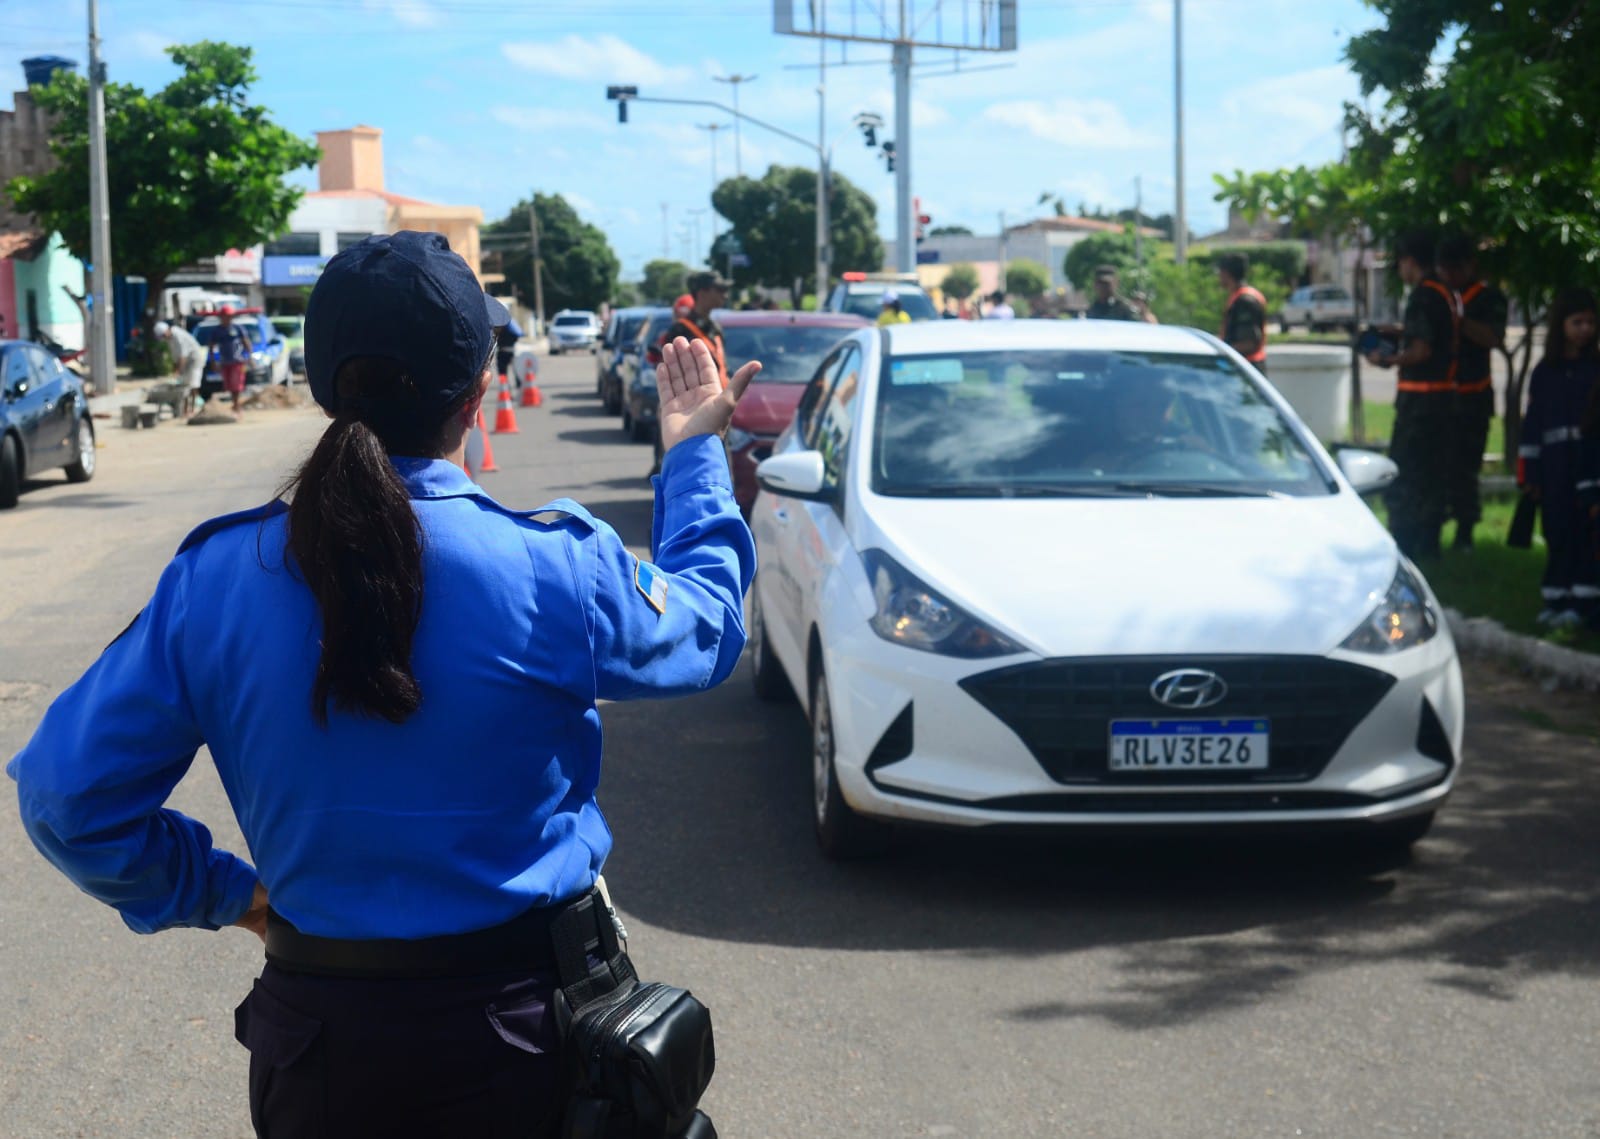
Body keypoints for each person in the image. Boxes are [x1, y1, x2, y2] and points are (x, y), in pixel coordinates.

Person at [5, 231, 760, 1137]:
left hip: (320, 1055)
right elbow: (709, 628)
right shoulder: (556, 567)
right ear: (478, 393)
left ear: (328, 388)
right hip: (526, 1047)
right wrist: (692, 454)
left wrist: (230, 896)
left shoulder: (213, 578)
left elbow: (66, 799)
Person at [1366, 230, 1457, 559]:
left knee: (1406, 473)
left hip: (1419, 404)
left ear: (1408, 261)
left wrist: (1386, 359)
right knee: (1433, 475)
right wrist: (1399, 332)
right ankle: (1430, 543)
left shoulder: (1422, 296)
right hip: (1444, 398)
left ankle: (1403, 546)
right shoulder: (1444, 291)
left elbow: (1421, 351)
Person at [1519, 287, 1600, 626]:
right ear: (1560, 325)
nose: (1585, 329)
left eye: (1591, 322)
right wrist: (1530, 475)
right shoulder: (1545, 372)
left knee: (1586, 531)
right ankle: (1555, 597)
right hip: (1554, 466)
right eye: (1577, 321)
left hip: (1588, 464)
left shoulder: (1595, 368)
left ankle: (1583, 604)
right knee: (1556, 528)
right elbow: (1533, 425)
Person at [1437, 236, 1508, 550]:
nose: (1451, 276)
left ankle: (1465, 531)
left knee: (1466, 468)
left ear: (1471, 266)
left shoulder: (1488, 298)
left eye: (1457, 269)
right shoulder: (1437, 296)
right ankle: (1435, 528)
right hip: (1439, 398)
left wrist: (1458, 321)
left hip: (1473, 397)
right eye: (1446, 269)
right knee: (1439, 466)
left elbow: (1493, 338)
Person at [653, 272, 729, 475]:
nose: (726, 295)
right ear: (702, 293)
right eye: (720, 290)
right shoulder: (681, 330)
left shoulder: (714, 328)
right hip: (692, 413)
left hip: (718, 410)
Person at [1216, 253, 1269, 375]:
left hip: (1247, 369)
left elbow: (1249, 343)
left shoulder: (1245, 301)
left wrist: (1220, 352)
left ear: (1226, 273)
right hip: (1246, 368)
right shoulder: (1240, 297)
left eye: (1220, 272)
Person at [156, 319, 206, 418]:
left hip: (194, 360)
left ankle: (193, 409)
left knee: (192, 385)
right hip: (185, 363)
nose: (163, 338)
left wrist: (177, 372)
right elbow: (176, 357)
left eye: (163, 335)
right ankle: (185, 410)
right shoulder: (170, 339)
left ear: (166, 331)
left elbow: (183, 356)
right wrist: (176, 370)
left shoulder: (178, 335)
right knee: (184, 386)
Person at [212, 305, 253, 419]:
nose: (227, 318)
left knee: (237, 385)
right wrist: (214, 362)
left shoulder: (238, 328)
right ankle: (235, 405)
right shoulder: (217, 331)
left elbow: (246, 342)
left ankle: (237, 406)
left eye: (229, 316)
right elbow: (211, 346)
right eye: (224, 316)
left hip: (238, 361)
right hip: (225, 362)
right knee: (229, 386)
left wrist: (249, 357)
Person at [1085, 266, 1156, 323]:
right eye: (1101, 283)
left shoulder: (1126, 309)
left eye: (1107, 284)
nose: (1104, 287)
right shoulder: (1091, 311)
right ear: (1095, 285)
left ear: (1116, 283)